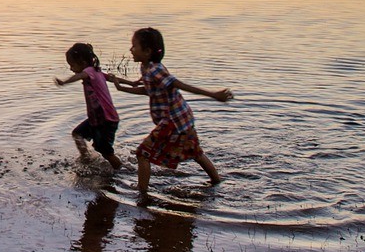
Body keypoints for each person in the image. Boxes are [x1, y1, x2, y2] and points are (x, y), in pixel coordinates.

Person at [108, 26, 232, 204]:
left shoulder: (155, 70)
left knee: (142, 153)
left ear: (148, 51)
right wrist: (121, 87)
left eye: (134, 46)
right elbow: (148, 90)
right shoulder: (146, 68)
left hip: (173, 121)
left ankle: (142, 195)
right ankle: (217, 182)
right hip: (182, 118)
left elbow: (176, 84)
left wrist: (213, 94)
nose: (131, 50)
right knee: (195, 153)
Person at [53, 41, 123, 170]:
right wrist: (133, 83)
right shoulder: (97, 72)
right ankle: (86, 158)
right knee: (77, 134)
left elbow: (80, 75)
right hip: (98, 118)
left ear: (83, 63)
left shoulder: (89, 71)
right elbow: (114, 79)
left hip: (104, 119)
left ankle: (120, 169)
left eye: (72, 65)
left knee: (106, 152)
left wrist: (64, 82)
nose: (71, 68)